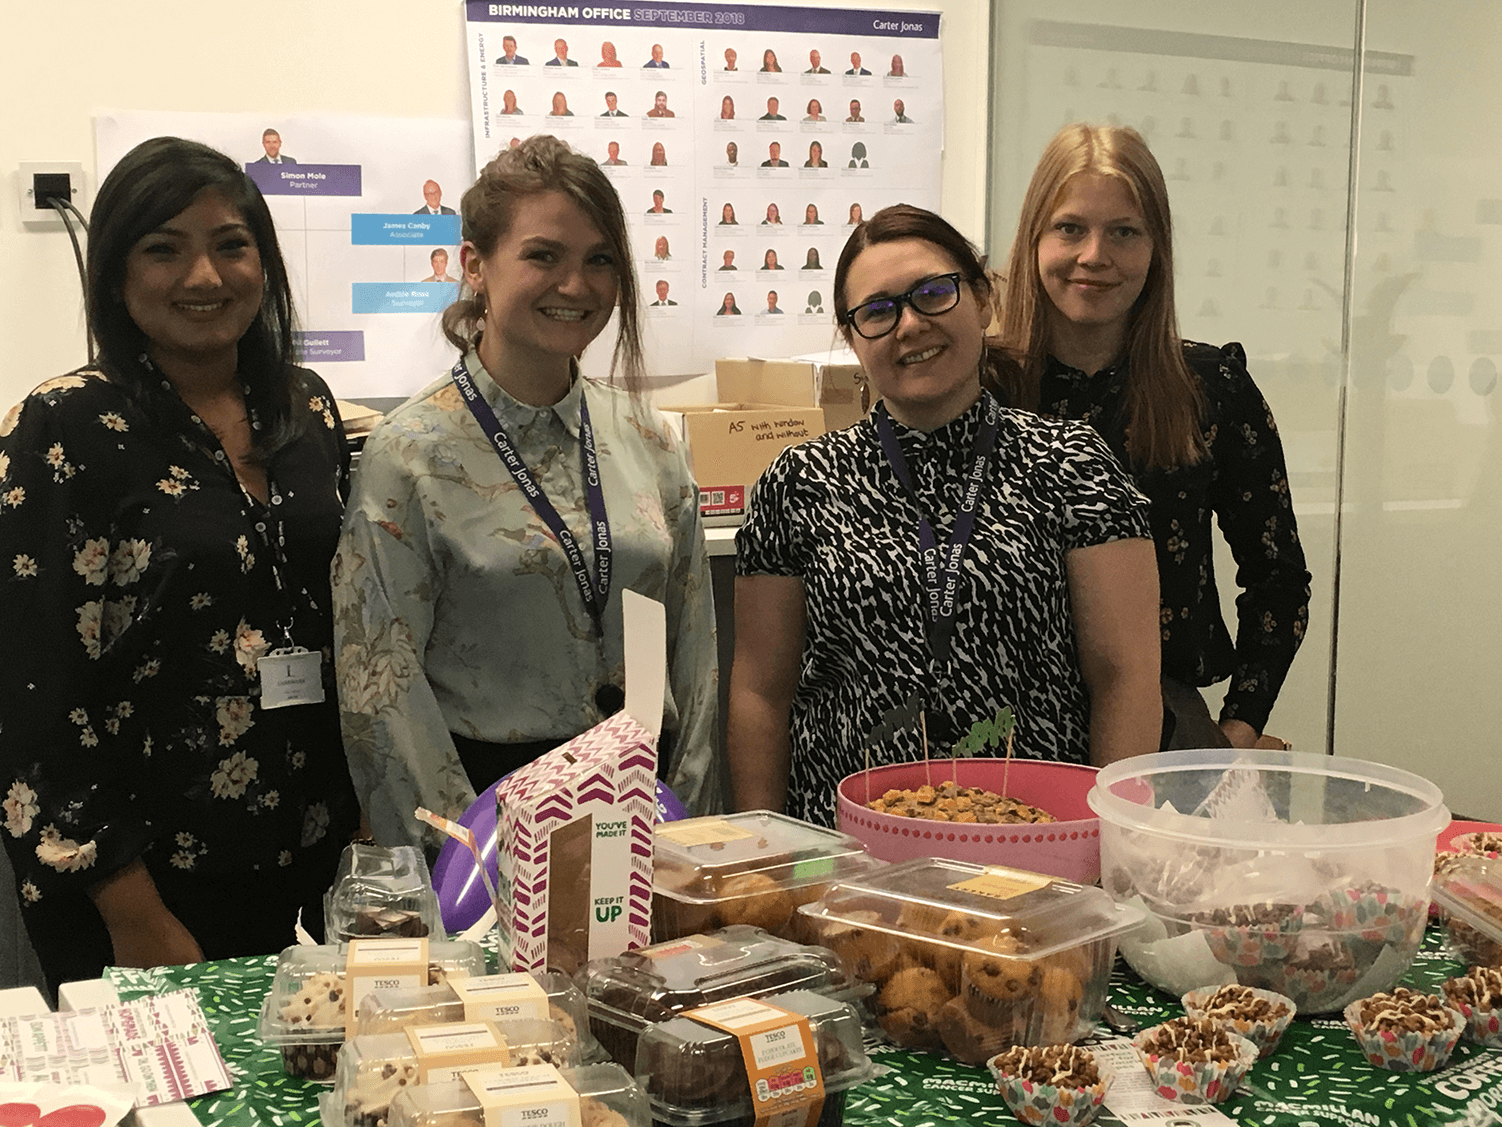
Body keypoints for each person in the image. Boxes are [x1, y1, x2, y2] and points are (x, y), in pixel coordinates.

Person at [0, 136, 358, 993]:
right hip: (136, 879)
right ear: (117, 273)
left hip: (309, 852)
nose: (204, 276)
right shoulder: (62, 428)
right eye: (164, 248)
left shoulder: (305, 405)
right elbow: (33, 690)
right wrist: (132, 908)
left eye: (230, 244)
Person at [333, 135, 720, 853]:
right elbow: (381, 689)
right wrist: (465, 858)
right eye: (544, 256)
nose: (576, 285)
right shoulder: (410, 453)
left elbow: (694, 651)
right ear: (476, 266)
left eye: (600, 260)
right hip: (487, 811)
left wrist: (687, 820)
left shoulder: (650, 437)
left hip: (644, 799)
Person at [726, 204, 1162, 825]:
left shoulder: (1074, 465)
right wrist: (763, 849)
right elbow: (760, 694)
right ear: (852, 337)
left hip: (1035, 849)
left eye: (933, 293)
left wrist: (1111, 842)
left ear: (983, 300)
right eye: (877, 311)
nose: (909, 324)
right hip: (846, 853)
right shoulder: (799, 484)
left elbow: (1126, 676)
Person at [995, 124, 1312, 749]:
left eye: (1124, 231)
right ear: (1033, 237)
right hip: (1003, 726)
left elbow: (1277, 575)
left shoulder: (1210, 387)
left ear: (1156, 249)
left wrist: (1240, 726)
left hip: (1166, 724)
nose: (1095, 255)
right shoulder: (982, 388)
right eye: (1069, 227)